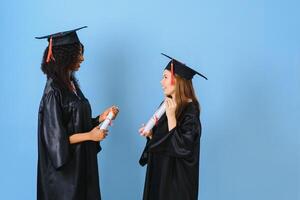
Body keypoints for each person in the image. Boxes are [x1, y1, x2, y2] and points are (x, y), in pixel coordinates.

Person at [36, 26, 118, 200]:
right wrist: (90, 135)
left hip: (81, 167)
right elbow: (55, 141)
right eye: (78, 53)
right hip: (65, 179)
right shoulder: (53, 92)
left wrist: (99, 119)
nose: (82, 58)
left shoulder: (70, 85)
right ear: (66, 56)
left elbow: (74, 124)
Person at [139, 53, 207, 200]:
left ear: (178, 81)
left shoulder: (191, 111)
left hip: (176, 182)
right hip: (160, 175)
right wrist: (151, 135)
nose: (161, 82)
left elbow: (183, 148)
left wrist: (171, 117)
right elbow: (164, 141)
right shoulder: (166, 105)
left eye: (165, 77)